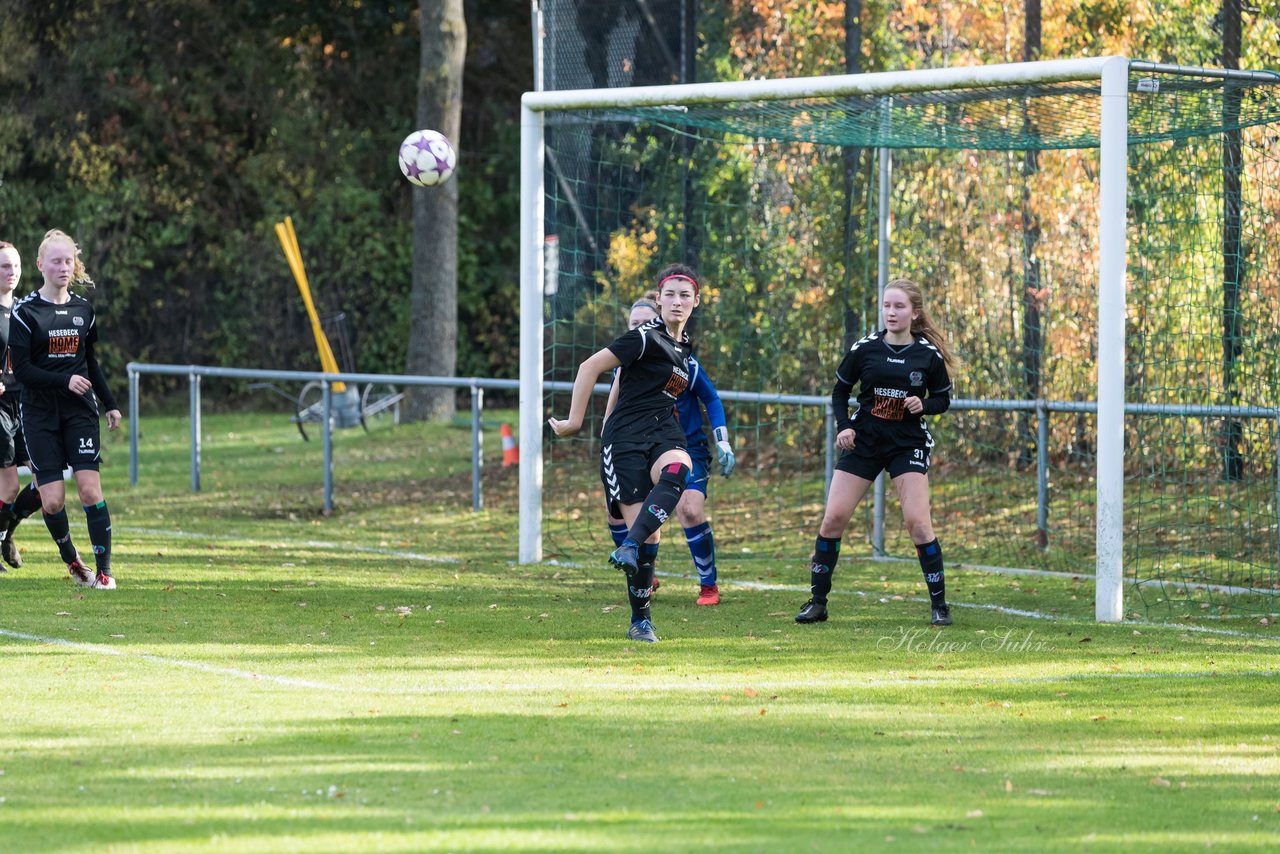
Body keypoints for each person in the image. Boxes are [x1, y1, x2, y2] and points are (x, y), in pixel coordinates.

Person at [549, 264, 702, 643]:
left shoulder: (685, 347)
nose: (677, 302)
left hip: (663, 432)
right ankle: (641, 621)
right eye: (670, 295)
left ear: (696, 302)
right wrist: (574, 421)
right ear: (659, 300)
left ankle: (628, 545)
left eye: (685, 296)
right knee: (652, 539)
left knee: (680, 469)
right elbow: (590, 367)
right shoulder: (644, 338)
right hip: (626, 441)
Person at [795, 277, 955, 627]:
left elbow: (943, 399)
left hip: (906, 443)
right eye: (887, 305)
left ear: (914, 313)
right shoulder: (864, 349)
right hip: (864, 440)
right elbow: (839, 392)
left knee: (917, 524)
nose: (891, 312)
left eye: (899, 306)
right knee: (833, 517)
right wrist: (844, 427)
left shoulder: (927, 355)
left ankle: (940, 605)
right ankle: (817, 601)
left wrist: (923, 405)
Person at [604, 294, 735, 606]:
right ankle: (642, 570)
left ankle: (708, 586)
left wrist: (723, 440)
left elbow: (711, 398)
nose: (638, 329)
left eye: (644, 323)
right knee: (616, 517)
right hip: (635, 447)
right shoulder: (623, 368)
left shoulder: (682, 361)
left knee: (689, 508)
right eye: (632, 325)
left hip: (682, 447)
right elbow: (611, 411)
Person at [10, 229, 123, 590]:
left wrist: (110, 403)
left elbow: (90, 361)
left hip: (79, 412)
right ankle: (74, 562)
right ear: (40, 264)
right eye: (55, 260)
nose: (62, 266)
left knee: (90, 491)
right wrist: (63, 381)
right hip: (39, 413)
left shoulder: (83, 310)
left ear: (75, 266)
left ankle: (104, 572)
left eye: (68, 260)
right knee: (54, 500)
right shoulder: (25, 312)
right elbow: (23, 371)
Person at [0, 243, 43, 571]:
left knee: (45, 483)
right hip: (1, 406)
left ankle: (7, 532)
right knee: (11, 484)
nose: (11, 272)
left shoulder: (25, 309)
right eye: (4, 266)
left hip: (27, 404)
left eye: (14, 266)